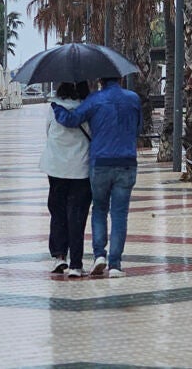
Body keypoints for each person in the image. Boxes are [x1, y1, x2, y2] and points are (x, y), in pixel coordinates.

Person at [51, 76, 141, 278]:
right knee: (119, 215)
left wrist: (57, 108)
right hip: (127, 163)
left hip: (100, 163)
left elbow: (72, 120)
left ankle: (100, 255)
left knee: (99, 209)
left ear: (100, 80)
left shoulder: (94, 100)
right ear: (121, 78)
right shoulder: (133, 99)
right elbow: (138, 128)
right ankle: (115, 265)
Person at [39, 81, 92, 277]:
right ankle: (76, 264)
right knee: (77, 215)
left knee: (58, 212)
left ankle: (59, 256)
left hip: (56, 167)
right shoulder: (88, 109)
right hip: (81, 168)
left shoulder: (54, 109)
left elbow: (48, 133)